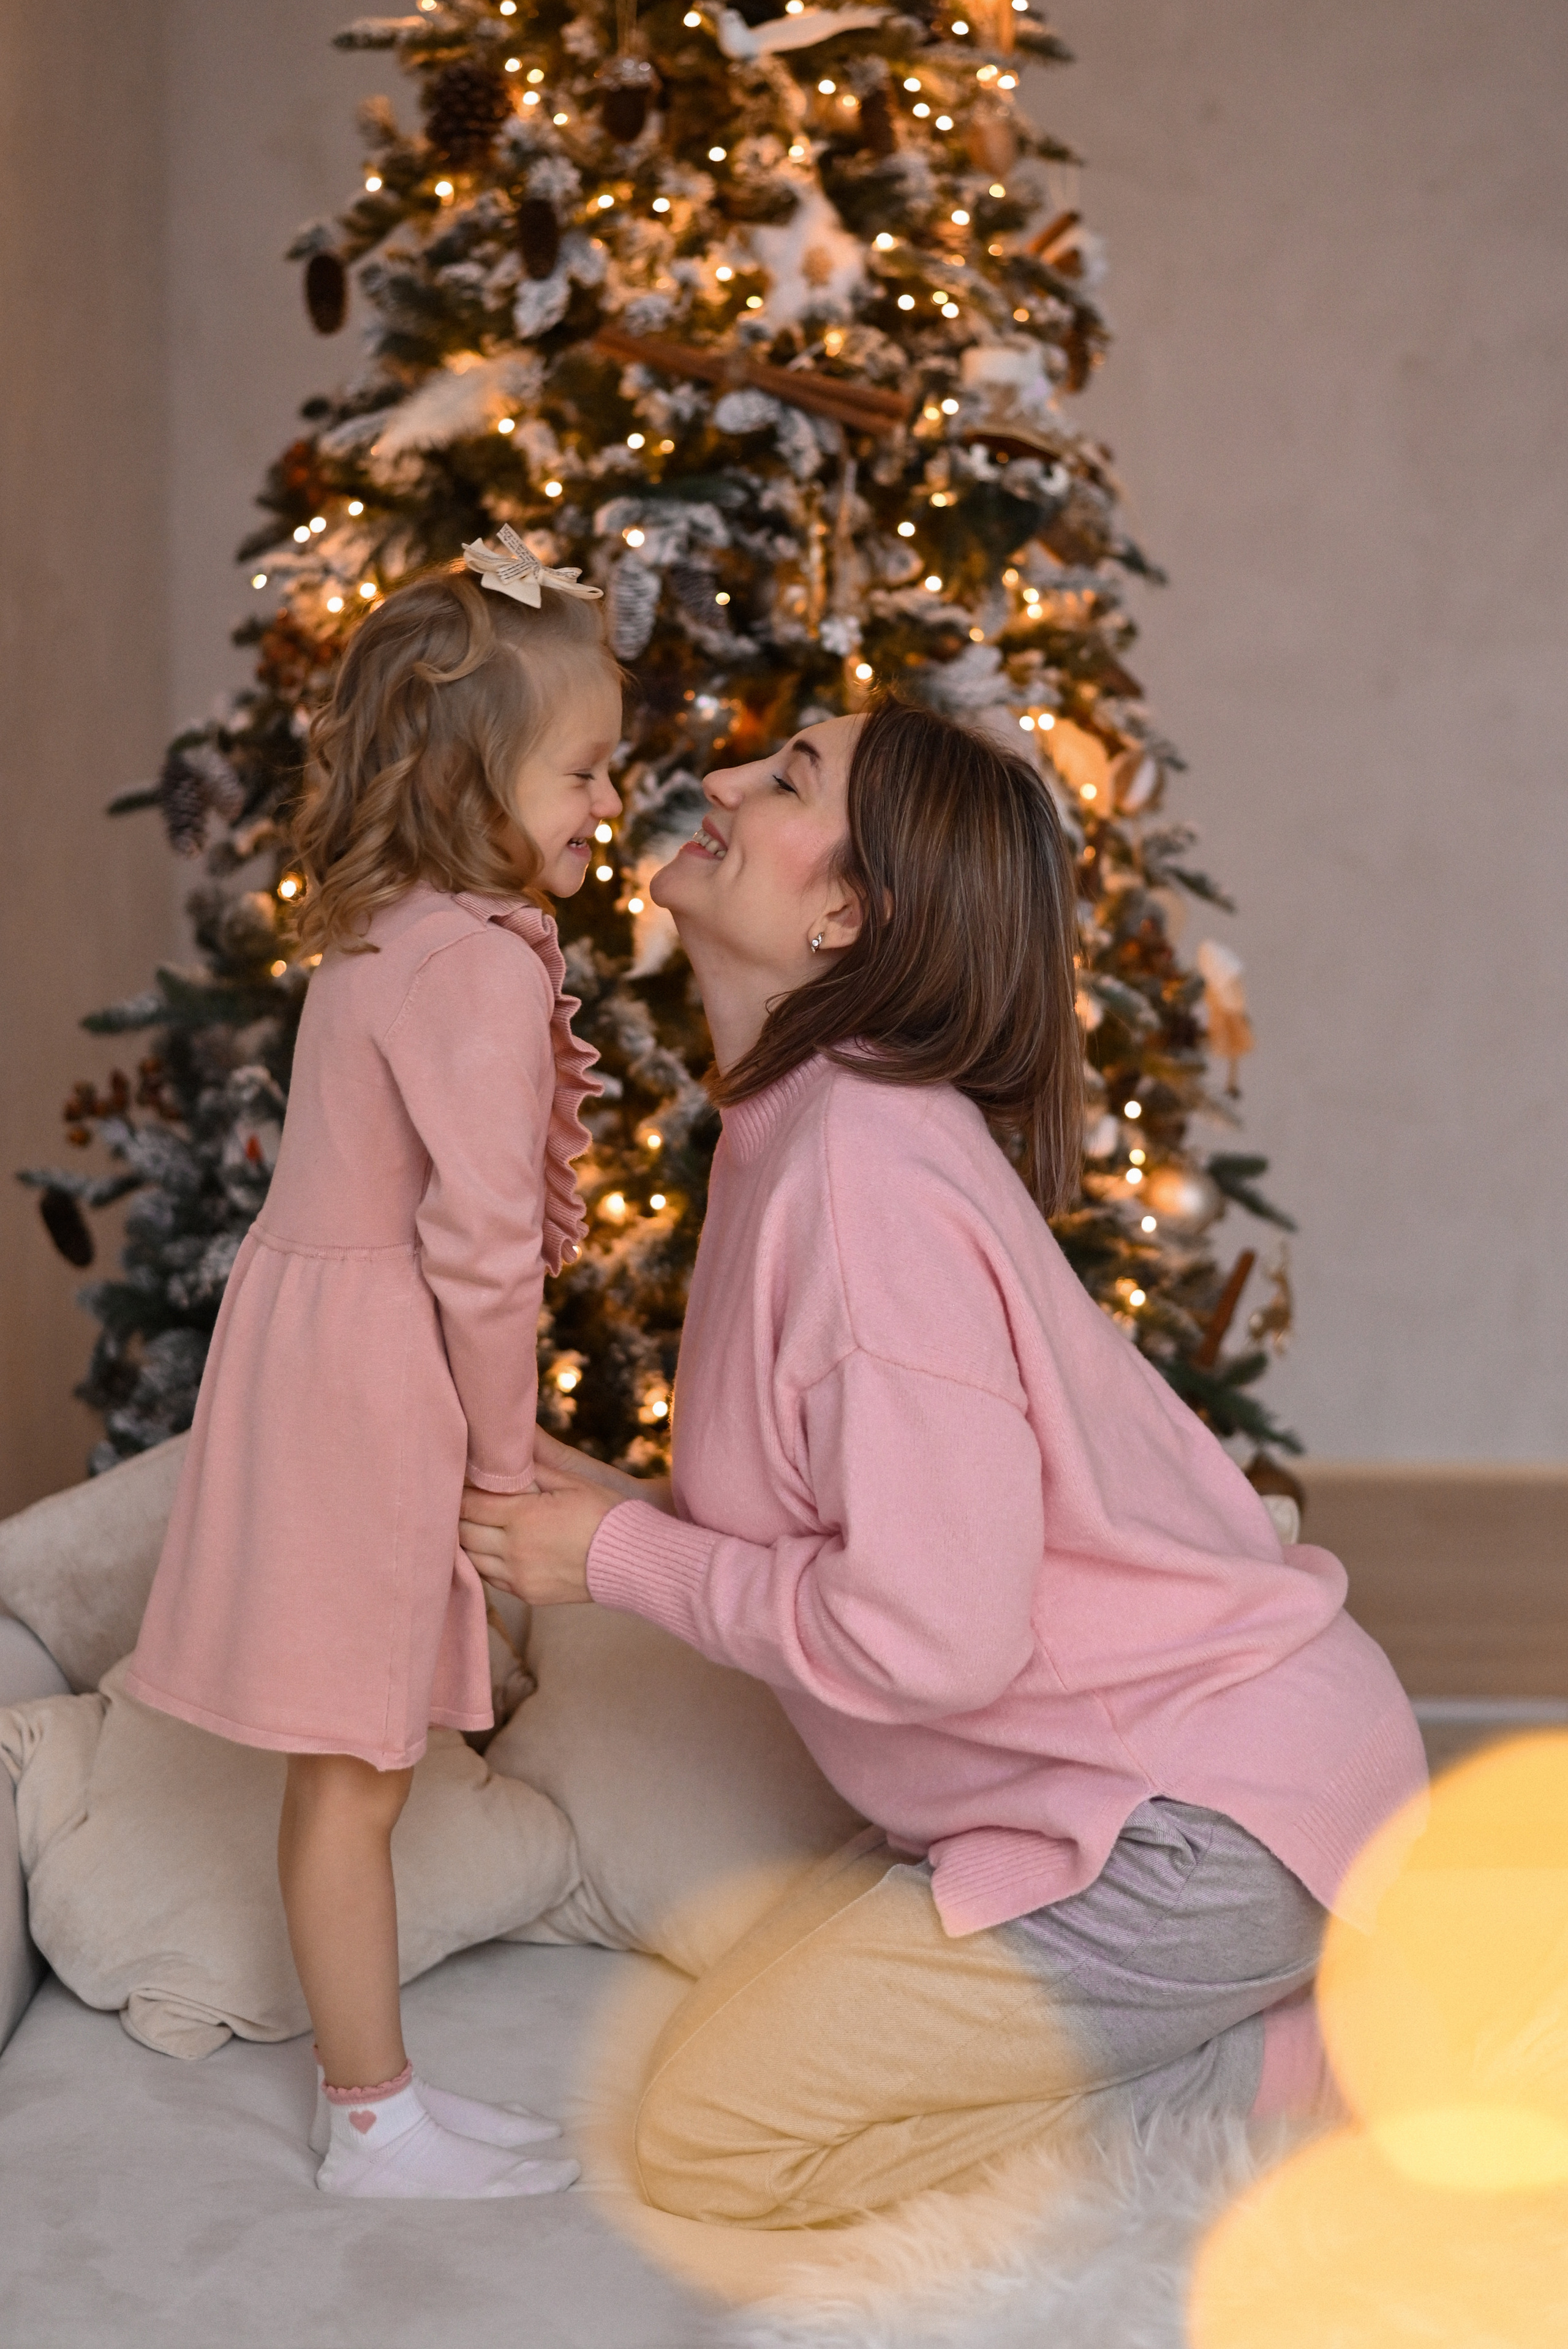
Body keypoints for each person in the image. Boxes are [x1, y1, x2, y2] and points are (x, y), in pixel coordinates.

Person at [459, 695, 1429, 2230]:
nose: (711, 778)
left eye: (782, 778)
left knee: (711, 2139)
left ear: (849, 909)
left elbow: (930, 1626)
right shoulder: (803, 1129)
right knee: (737, 2003)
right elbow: (822, 1519)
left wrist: (612, 1559)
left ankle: (1300, 2068)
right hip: (1127, 1796)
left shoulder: (859, 1173)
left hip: (1194, 1823)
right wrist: (566, 1497)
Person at [126, 540, 617, 2199]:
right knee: (354, 1775)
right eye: (582, 767)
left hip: (319, 1353)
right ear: (477, 771)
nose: (607, 801)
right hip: (374, 1384)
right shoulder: (474, 962)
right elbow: (483, 1253)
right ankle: (373, 2120)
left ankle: (379, 2091)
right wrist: (500, 1459)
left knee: (358, 1770)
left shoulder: (394, 928)